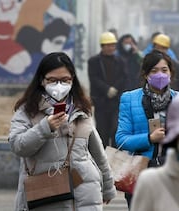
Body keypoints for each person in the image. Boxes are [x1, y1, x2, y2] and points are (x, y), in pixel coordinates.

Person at [9, 52, 116, 210]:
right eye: (52, 80)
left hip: (84, 195)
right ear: (41, 80)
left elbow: (98, 152)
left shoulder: (81, 109)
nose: (59, 85)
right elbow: (18, 146)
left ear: (72, 79)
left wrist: (108, 186)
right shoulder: (28, 110)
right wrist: (45, 128)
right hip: (46, 196)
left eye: (65, 80)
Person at [115, 50, 179, 208]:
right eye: (154, 71)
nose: (160, 75)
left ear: (171, 73)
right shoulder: (129, 99)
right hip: (140, 172)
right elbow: (121, 139)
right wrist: (149, 138)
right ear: (145, 74)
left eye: (164, 70)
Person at [88, 31, 129, 148]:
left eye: (113, 45)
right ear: (102, 46)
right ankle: (102, 157)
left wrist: (115, 89)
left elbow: (124, 77)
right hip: (101, 101)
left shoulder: (121, 61)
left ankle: (114, 156)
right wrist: (107, 89)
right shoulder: (94, 61)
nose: (112, 48)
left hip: (116, 101)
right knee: (102, 131)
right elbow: (94, 78)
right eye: (109, 45)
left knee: (116, 129)